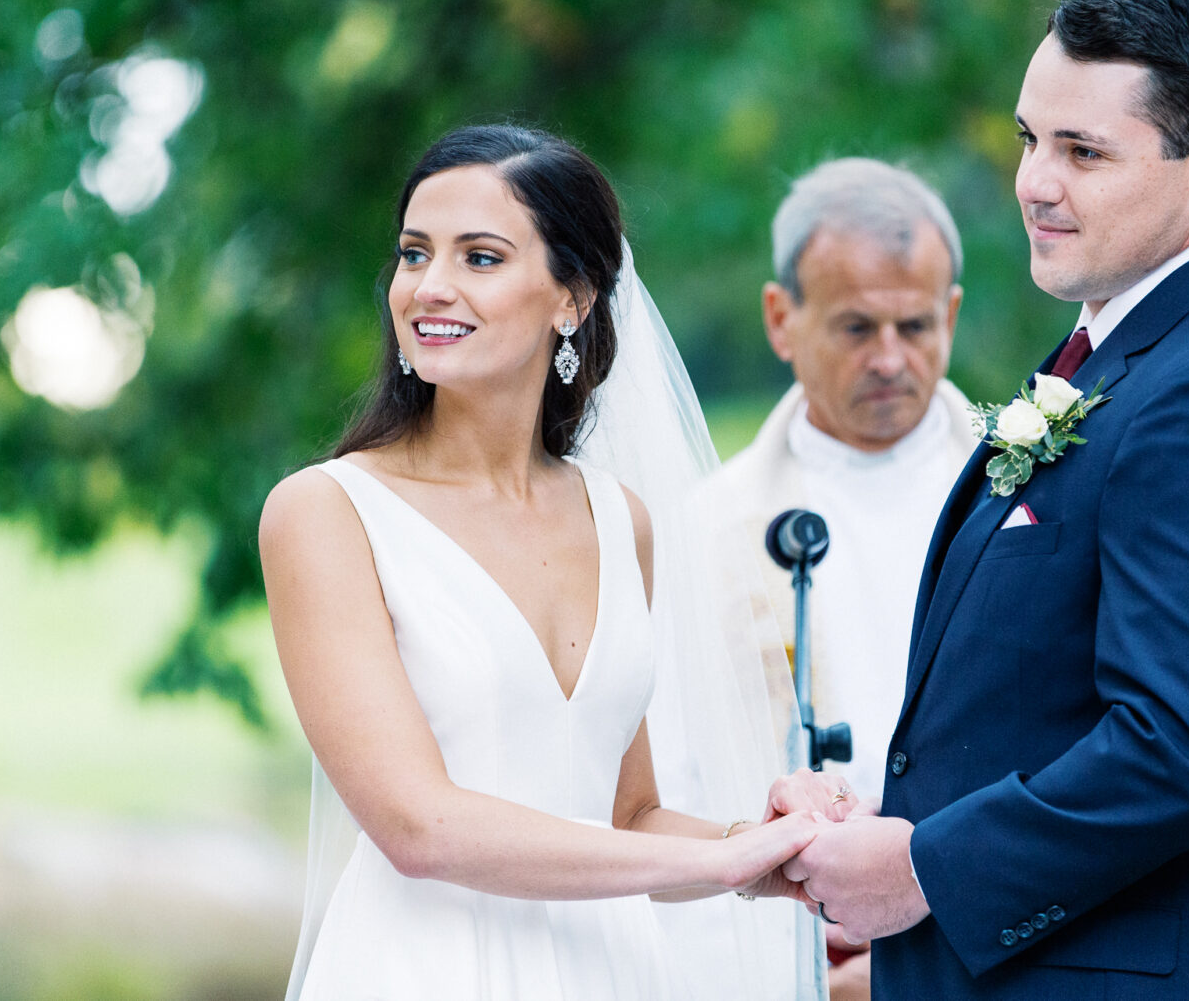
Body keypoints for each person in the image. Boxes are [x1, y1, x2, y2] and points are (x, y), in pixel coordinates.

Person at [775, 0, 1189, 999]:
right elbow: (1040, 708)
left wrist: (920, 872)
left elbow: (1181, 750)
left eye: (1082, 151)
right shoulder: (1120, 359)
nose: (1034, 182)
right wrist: (878, 828)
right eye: (1027, 139)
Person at [259, 124, 824, 1001]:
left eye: (479, 258)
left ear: (574, 298)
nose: (429, 286)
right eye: (415, 254)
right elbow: (419, 826)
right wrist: (728, 861)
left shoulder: (617, 519)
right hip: (423, 970)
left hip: (613, 973)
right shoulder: (327, 513)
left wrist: (764, 849)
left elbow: (628, 814)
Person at [699, 157, 972, 999]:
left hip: (982, 930)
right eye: (857, 328)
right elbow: (684, 768)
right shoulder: (707, 525)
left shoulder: (1032, 486)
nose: (891, 359)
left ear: (951, 314)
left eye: (916, 326)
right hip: (786, 946)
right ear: (782, 319)